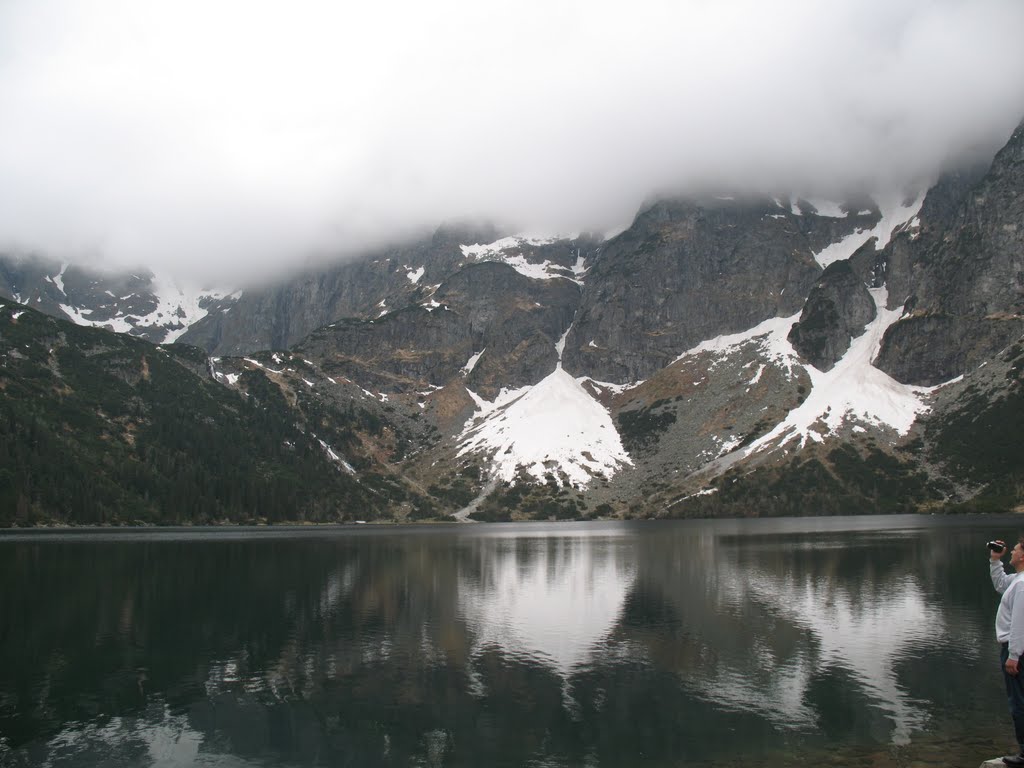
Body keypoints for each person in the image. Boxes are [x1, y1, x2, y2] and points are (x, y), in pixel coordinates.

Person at [992, 538, 1024, 766]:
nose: (1011, 551)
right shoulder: (1018, 580)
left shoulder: (1022, 585)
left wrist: (1014, 655)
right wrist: (996, 560)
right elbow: (1001, 584)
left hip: (1017, 652)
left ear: (1022, 556)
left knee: (1019, 702)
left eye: (1014, 550)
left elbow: (1020, 623)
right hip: (1016, 650)